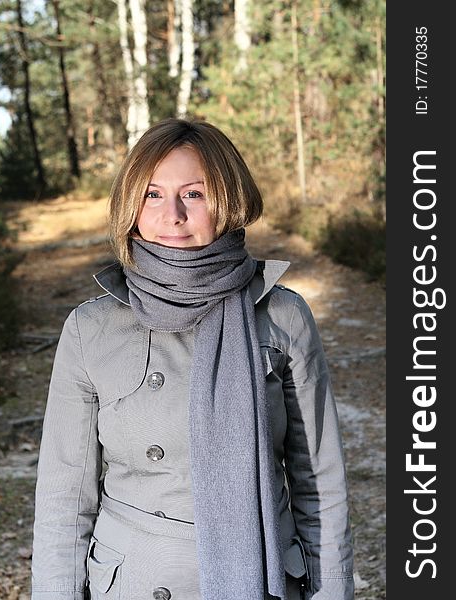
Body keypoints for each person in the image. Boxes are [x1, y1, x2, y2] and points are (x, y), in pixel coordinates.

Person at [31, 118, 354, 600]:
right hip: (136, 582)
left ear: (229, 199)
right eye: (153, 195)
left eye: (195, 194)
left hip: (262, 579)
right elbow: (63, 498)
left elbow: (319, 485)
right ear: (130, 206)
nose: (172, 215)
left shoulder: (283, 316)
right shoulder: (91, 328)